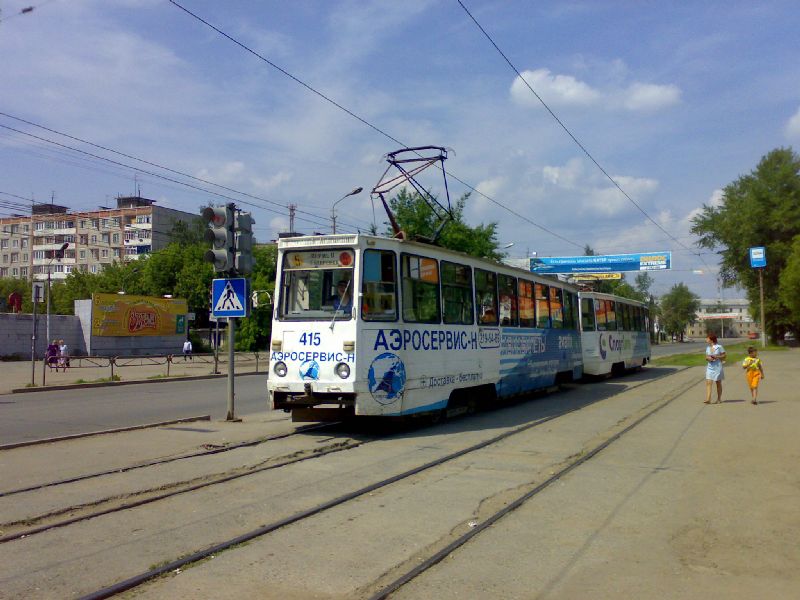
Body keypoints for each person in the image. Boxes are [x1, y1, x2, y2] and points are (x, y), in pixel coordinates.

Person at [704, 333, 726, 404]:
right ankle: (708, 399)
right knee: (708, 382)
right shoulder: (707, 348)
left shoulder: (719, 347)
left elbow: (724, 355)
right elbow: (706, 357)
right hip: (710, 367)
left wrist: (717, 357)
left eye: (707, 338)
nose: (706, 340)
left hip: (717, 367)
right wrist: (708, 358)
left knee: (718, 383)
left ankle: (719, 399)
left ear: (711, 340)